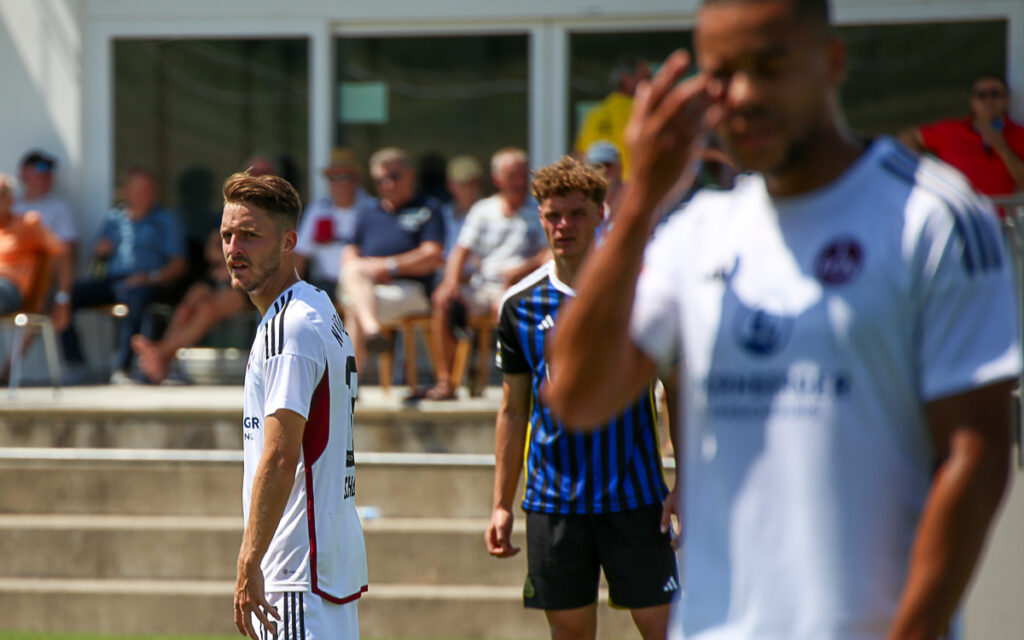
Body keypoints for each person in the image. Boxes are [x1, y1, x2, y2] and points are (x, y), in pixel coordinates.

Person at [545, 1, 1020, 639]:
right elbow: (576, 394)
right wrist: (638, 205)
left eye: (768, 67)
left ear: (831, 63)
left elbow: (977, 453)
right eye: (720, 75)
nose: (741, 95)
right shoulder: (698, 234)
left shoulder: (932, 216)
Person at [486, 156, 679, 640]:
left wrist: (687, 483)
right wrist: (501, 503)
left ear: (601, 215)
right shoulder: (520, 306)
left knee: (665, 630)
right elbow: (513, 409)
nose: (563, 225)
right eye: (553, 215)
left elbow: (677, 391)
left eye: (575, 213)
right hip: (553, 503)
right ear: (540, 218)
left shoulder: (640, 295)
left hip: (635, 498)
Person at [223, 171, 367, 640]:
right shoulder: (317, 307)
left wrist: (250, 558)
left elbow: (282, 454)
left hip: (295, 573)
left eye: (250, 234)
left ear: (288, 242)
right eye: (227, 234)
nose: (234, 248)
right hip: (319, 567)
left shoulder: (291, 326)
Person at [423, 148, 549, 400]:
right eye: (511, 175)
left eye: (522, 174)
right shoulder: (483, 209)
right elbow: (461, 250)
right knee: (443, 301)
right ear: (497, 179)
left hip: (521, 286)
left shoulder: (540, 209)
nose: (518, 181)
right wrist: (450, 283)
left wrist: (522, 270)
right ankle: (446, 381)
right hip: (483, 286)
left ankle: (520, 383)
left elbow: (550, 254)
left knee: (508, 306)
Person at [61, 166, 187, 383]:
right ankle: (76, 364)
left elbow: (178, 264)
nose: (145, 194)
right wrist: (100, 252)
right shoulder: (114, 219)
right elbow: (97, 261)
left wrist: (151, 277)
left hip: (147, 282)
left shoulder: (165, 220)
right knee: (64, 296)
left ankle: (123, 368)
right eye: (139, 189)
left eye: (148, 189)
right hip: (112, 282)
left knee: (136, 299)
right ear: (126, 192)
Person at [340, 147, 444, 370]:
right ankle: (372, 331)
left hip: (412, 290)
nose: (387, 185)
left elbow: (432, 255)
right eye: (380, 180)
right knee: (354, 278)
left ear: (410, 175)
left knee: (354, 305)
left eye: (394, 177)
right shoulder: (368, 210)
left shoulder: (427, 208)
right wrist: (369, 270)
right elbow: (349, 252)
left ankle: (348, 387)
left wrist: (390, 266)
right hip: (370, 287)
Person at [130, 227, 250, 384]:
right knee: (185, 308)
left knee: (207, 308)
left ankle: (158, 354)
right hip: (222, 274)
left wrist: (231, 267)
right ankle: (161, 362)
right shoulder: (228, 218)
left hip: (246, 280)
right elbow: (211, 250)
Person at [901, 75, 1024, 205]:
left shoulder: (1019, 134)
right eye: (981, 95)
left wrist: (1002, 149)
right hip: (957, 214)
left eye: (995, 94)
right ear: (972, 102)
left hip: (1000, 218)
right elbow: (909, 137)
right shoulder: (950, 131)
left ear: (1006, 100)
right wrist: (926, 172)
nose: (989, 100)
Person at [295, 149, 370, 297]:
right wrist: (292, 290)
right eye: (332, 177)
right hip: (325, 283)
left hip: (363, 282)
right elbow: (300, 254)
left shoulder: (371, 208)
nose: (337, 183)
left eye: (343, 177)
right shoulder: (318, 209)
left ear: (356, 179)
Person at [0, 173, 72, 325]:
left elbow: (62, 253)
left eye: (2, 194)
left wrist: (62, 299)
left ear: (11, 198)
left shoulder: (28, 224)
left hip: (10, 291)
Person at [573, 55, 651, 179]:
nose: (650, 84)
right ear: (625, 80)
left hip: (597, 188)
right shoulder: (643, 112)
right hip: (630, 188)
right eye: (646, 78)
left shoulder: (594, 113)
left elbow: (580, 156)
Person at [13, 150, 79, 257]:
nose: (46, 174)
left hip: (41, 269)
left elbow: (67, 249)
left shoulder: (60, 207)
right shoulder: (9, 202)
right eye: (40, 167)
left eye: (49, 169)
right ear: (24, 173)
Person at [440, 155, 485, 258]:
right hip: (445, 271)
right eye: (463, 183)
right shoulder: (442, 213)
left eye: (473, 182)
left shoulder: (491, 212)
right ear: (450, 185)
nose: (469, 188)